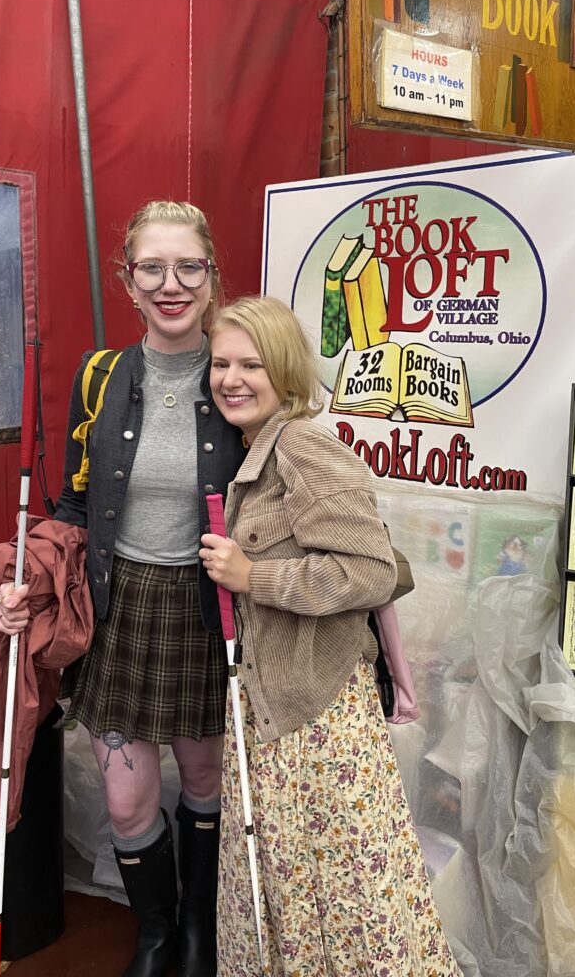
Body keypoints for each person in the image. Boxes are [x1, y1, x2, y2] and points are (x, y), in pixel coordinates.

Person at [0, 200, 246, 977]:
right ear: (128, 280)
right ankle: (157, 932)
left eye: (189, 267)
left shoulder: (244, 373)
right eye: (152, 268)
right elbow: (72, 505)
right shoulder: (101, 376)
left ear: (211, 276)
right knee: (130, 803)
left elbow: (289, 486)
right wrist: (27, 583)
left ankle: (199, 934)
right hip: (121, 608)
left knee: (205, 784)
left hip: (211, 610)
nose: (172, 285)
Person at [199, 296, 460, 977]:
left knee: (344, 892)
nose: (231, 377)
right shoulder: (258, 446)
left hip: (317, 719)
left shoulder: (303, 444)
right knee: (297, 886)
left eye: (250, 363)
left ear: (283, 368)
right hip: (277, 709)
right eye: (221, 363)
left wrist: (254, 575)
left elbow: (370, 571)